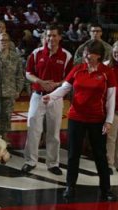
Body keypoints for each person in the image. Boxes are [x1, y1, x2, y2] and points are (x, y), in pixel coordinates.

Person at [43, 40, 117, 201]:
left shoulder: (107, 72)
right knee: (73, 154)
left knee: (100, 155)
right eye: (84, 54)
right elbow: (65, 88)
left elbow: (111, 100)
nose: (86, 58)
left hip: (97, 119)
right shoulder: (78, 69)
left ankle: (106, 189)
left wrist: (109, 121)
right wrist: (51, 96)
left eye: (89, 55)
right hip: (76, 117)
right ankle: (70, 187)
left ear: (98, 56)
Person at [21, 24, 73, 175]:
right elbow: (28, 73)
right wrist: (40, 82)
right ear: (45, 37)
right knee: (33, 129)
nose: (51, 38)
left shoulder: (67, 56)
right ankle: (30, 161)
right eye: (48, 35)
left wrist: (57, 85)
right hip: (38, 96)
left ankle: (52, 163)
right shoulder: (36, 53)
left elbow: (69, 79)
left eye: (54, 35)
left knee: (54, 132)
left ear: (60, 37)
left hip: (56, 98)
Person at [0, 32, 24, 143]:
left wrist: (18, 90)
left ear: (9, 42)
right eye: (1, 40)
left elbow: (20, 75)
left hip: (10, 91)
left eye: (6, 40)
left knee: (7, 115)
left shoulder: (16, 57)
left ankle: (5, 137)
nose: (4, 42)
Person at [105, 41, 118, 174]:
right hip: (111, 109)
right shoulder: (106, 66)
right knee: (111, 138)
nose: (117, 53)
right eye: (116, 50)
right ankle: (109, 164)